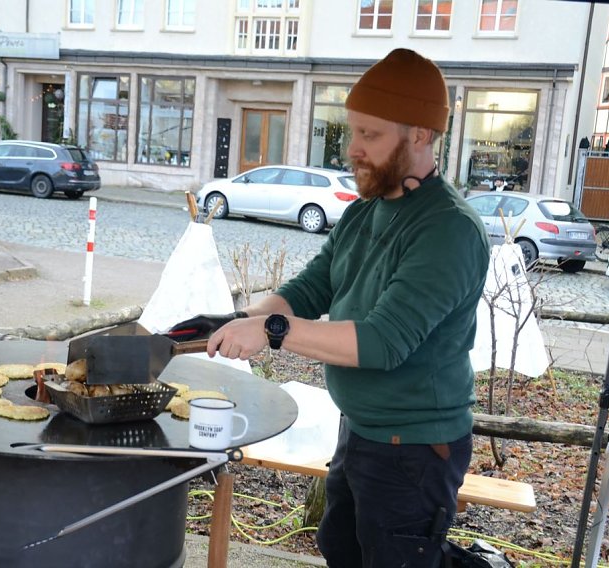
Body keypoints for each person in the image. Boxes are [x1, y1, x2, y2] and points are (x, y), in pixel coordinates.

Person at [170, 48, 490, 567]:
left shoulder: (447, 230)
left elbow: (383, 342)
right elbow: (309, 290)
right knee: (341, 549)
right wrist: (239, 321)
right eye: (352, 132)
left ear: (422, 136)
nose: (354, 151)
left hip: (415, 450)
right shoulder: (368, 211)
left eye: (371, 135)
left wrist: (272, 330)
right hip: (362, 432)